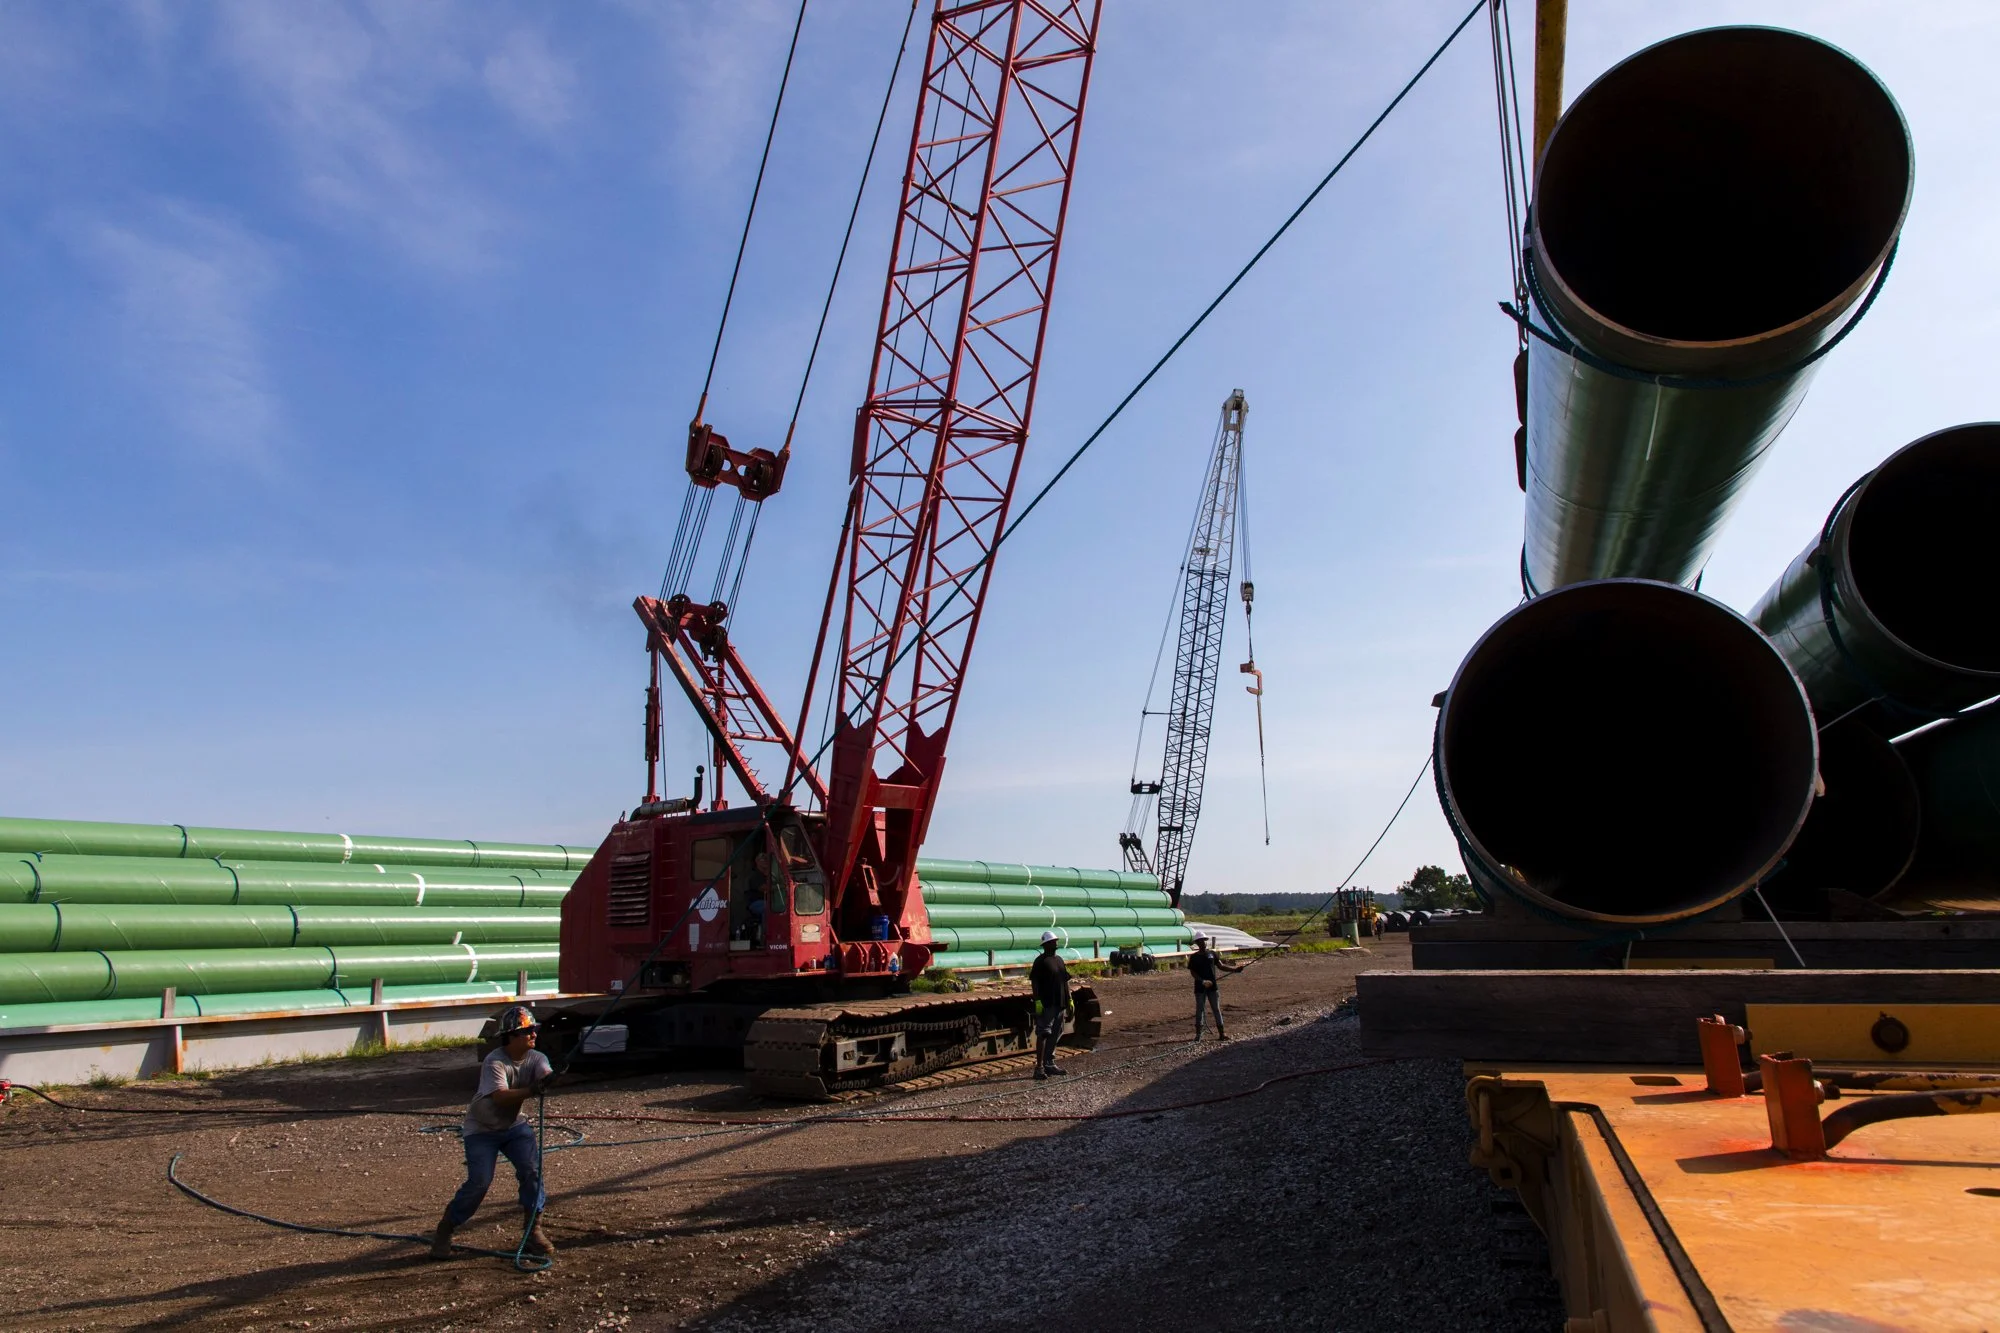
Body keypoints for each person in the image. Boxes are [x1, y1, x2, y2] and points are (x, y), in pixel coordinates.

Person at [431, 1005, 555, 1259]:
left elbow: (546, 1074)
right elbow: (499, 1097)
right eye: (527, 1031)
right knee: (479, 1182)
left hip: (514, 1126)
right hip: (481, 1131)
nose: (533, 1034)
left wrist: (552, 1078)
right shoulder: (494, 1061)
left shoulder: (537, 1058)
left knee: (532, 1171)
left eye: (534, 1030)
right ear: (511, 1036)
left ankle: (533, 1230)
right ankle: (447, 1227)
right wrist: (533, 1090)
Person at [1028, 929, 1072, 1081]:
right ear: (1046, 944)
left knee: (1055, 1033)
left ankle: (1049, 1063)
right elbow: (1035, 982)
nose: (1056, 943)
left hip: (1060, 1003)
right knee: (1044, 1033)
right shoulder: (1040, 962)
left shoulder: (1059, 960)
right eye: (1053, 941)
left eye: (1056, 941)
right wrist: (1037, 1000)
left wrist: (1069, 999)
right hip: (1047, 1004)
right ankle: (1039, 1068)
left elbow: (1065, 981)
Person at [1189, 934, 1244, 1040]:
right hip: (1200, 988)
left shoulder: (1212, 954)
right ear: (1197, 943)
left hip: (1213, 987)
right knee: (1199, 1010)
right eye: (1200, 941)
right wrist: (1202, 981)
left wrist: (1234, 969)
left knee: (1216, 1009)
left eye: (1204, 941)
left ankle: (1221, 1034)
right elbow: (1193, 972)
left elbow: (1221, 966)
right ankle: (1198, 1035)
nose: (1202, 943)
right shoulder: (1194, 957)